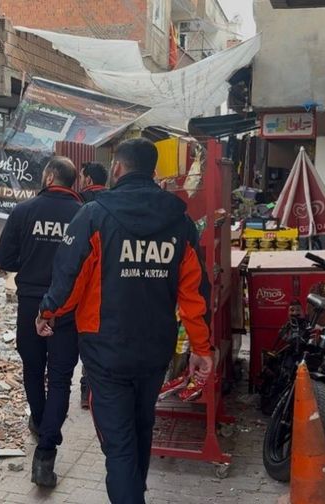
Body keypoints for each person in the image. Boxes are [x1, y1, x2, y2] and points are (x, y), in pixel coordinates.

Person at [35, 138, 213, 504]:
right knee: (141, 428)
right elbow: (195, 293)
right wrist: (201, 347)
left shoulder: (95, 216)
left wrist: (48, 312)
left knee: (118, 447)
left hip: (106, 352)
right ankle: (135, 489)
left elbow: (69, 279)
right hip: (154, 349)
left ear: (117, 168)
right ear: (153, 171)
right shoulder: (179, 223)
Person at [0, 156, 83, 488]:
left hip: (31, 302)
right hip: (67, 307)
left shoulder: (23, 211)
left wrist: (29, 263)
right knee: (60, 378)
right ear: (72, 182)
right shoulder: (83, 215)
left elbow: (3, 259)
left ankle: (41, 420)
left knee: (33, 368)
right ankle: (45, 455)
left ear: (48, 176)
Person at [77, 161, 109, 408]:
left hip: (83, 281)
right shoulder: (114, 202)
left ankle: (86, 390)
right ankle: (97, 390)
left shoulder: (80, 202)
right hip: (109, 281)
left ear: (87, 179)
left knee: (85, 335)